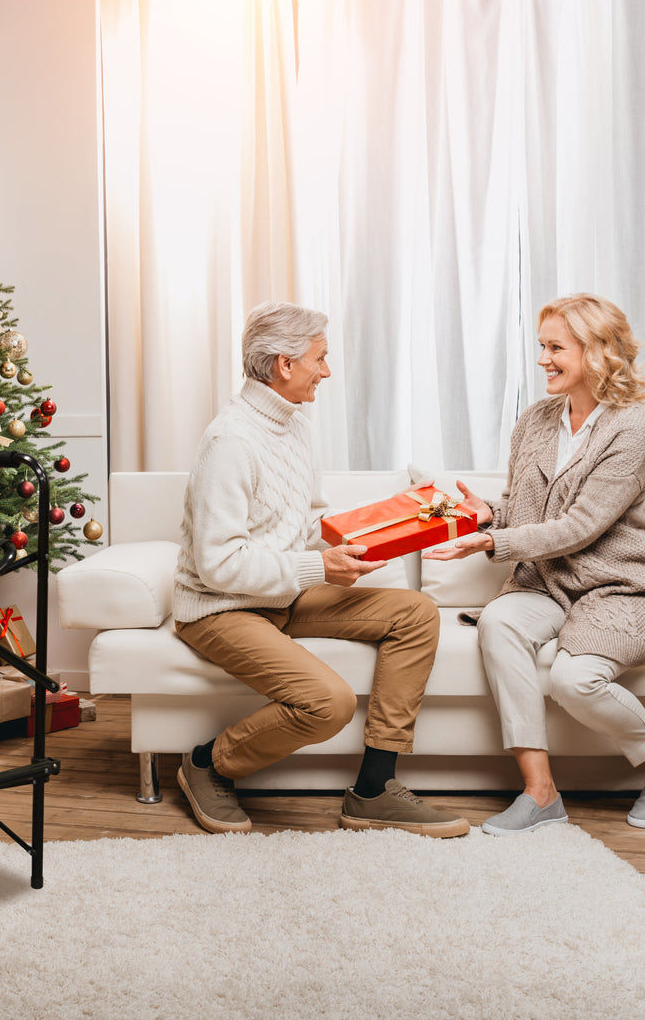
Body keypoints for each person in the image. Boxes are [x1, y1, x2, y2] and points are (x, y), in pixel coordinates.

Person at [172, 301, 470, 838]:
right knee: (328, 703)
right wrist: (318, 567)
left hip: (281, 597)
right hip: (221, 609)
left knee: (416, 613)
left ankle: (374, 789)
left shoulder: (297, 428)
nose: (327, 372)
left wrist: (373, 533)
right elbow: (218, 565)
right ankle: (206, 764)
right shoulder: (229, 442)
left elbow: (306, 522)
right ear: (285, 364)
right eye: (320, 358)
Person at [424, 293, 645, 835]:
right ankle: (540, 792)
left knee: (575, 681)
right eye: (542, 346)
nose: (543, 359)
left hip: (616, 585)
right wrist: (486, 514)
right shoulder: (537, 419)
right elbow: (524, 510)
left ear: (597, 350)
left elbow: (579, 526)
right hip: (546, 581)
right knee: (499, 622)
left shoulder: (634, 428)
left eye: (556, 348)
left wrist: (492, 542)